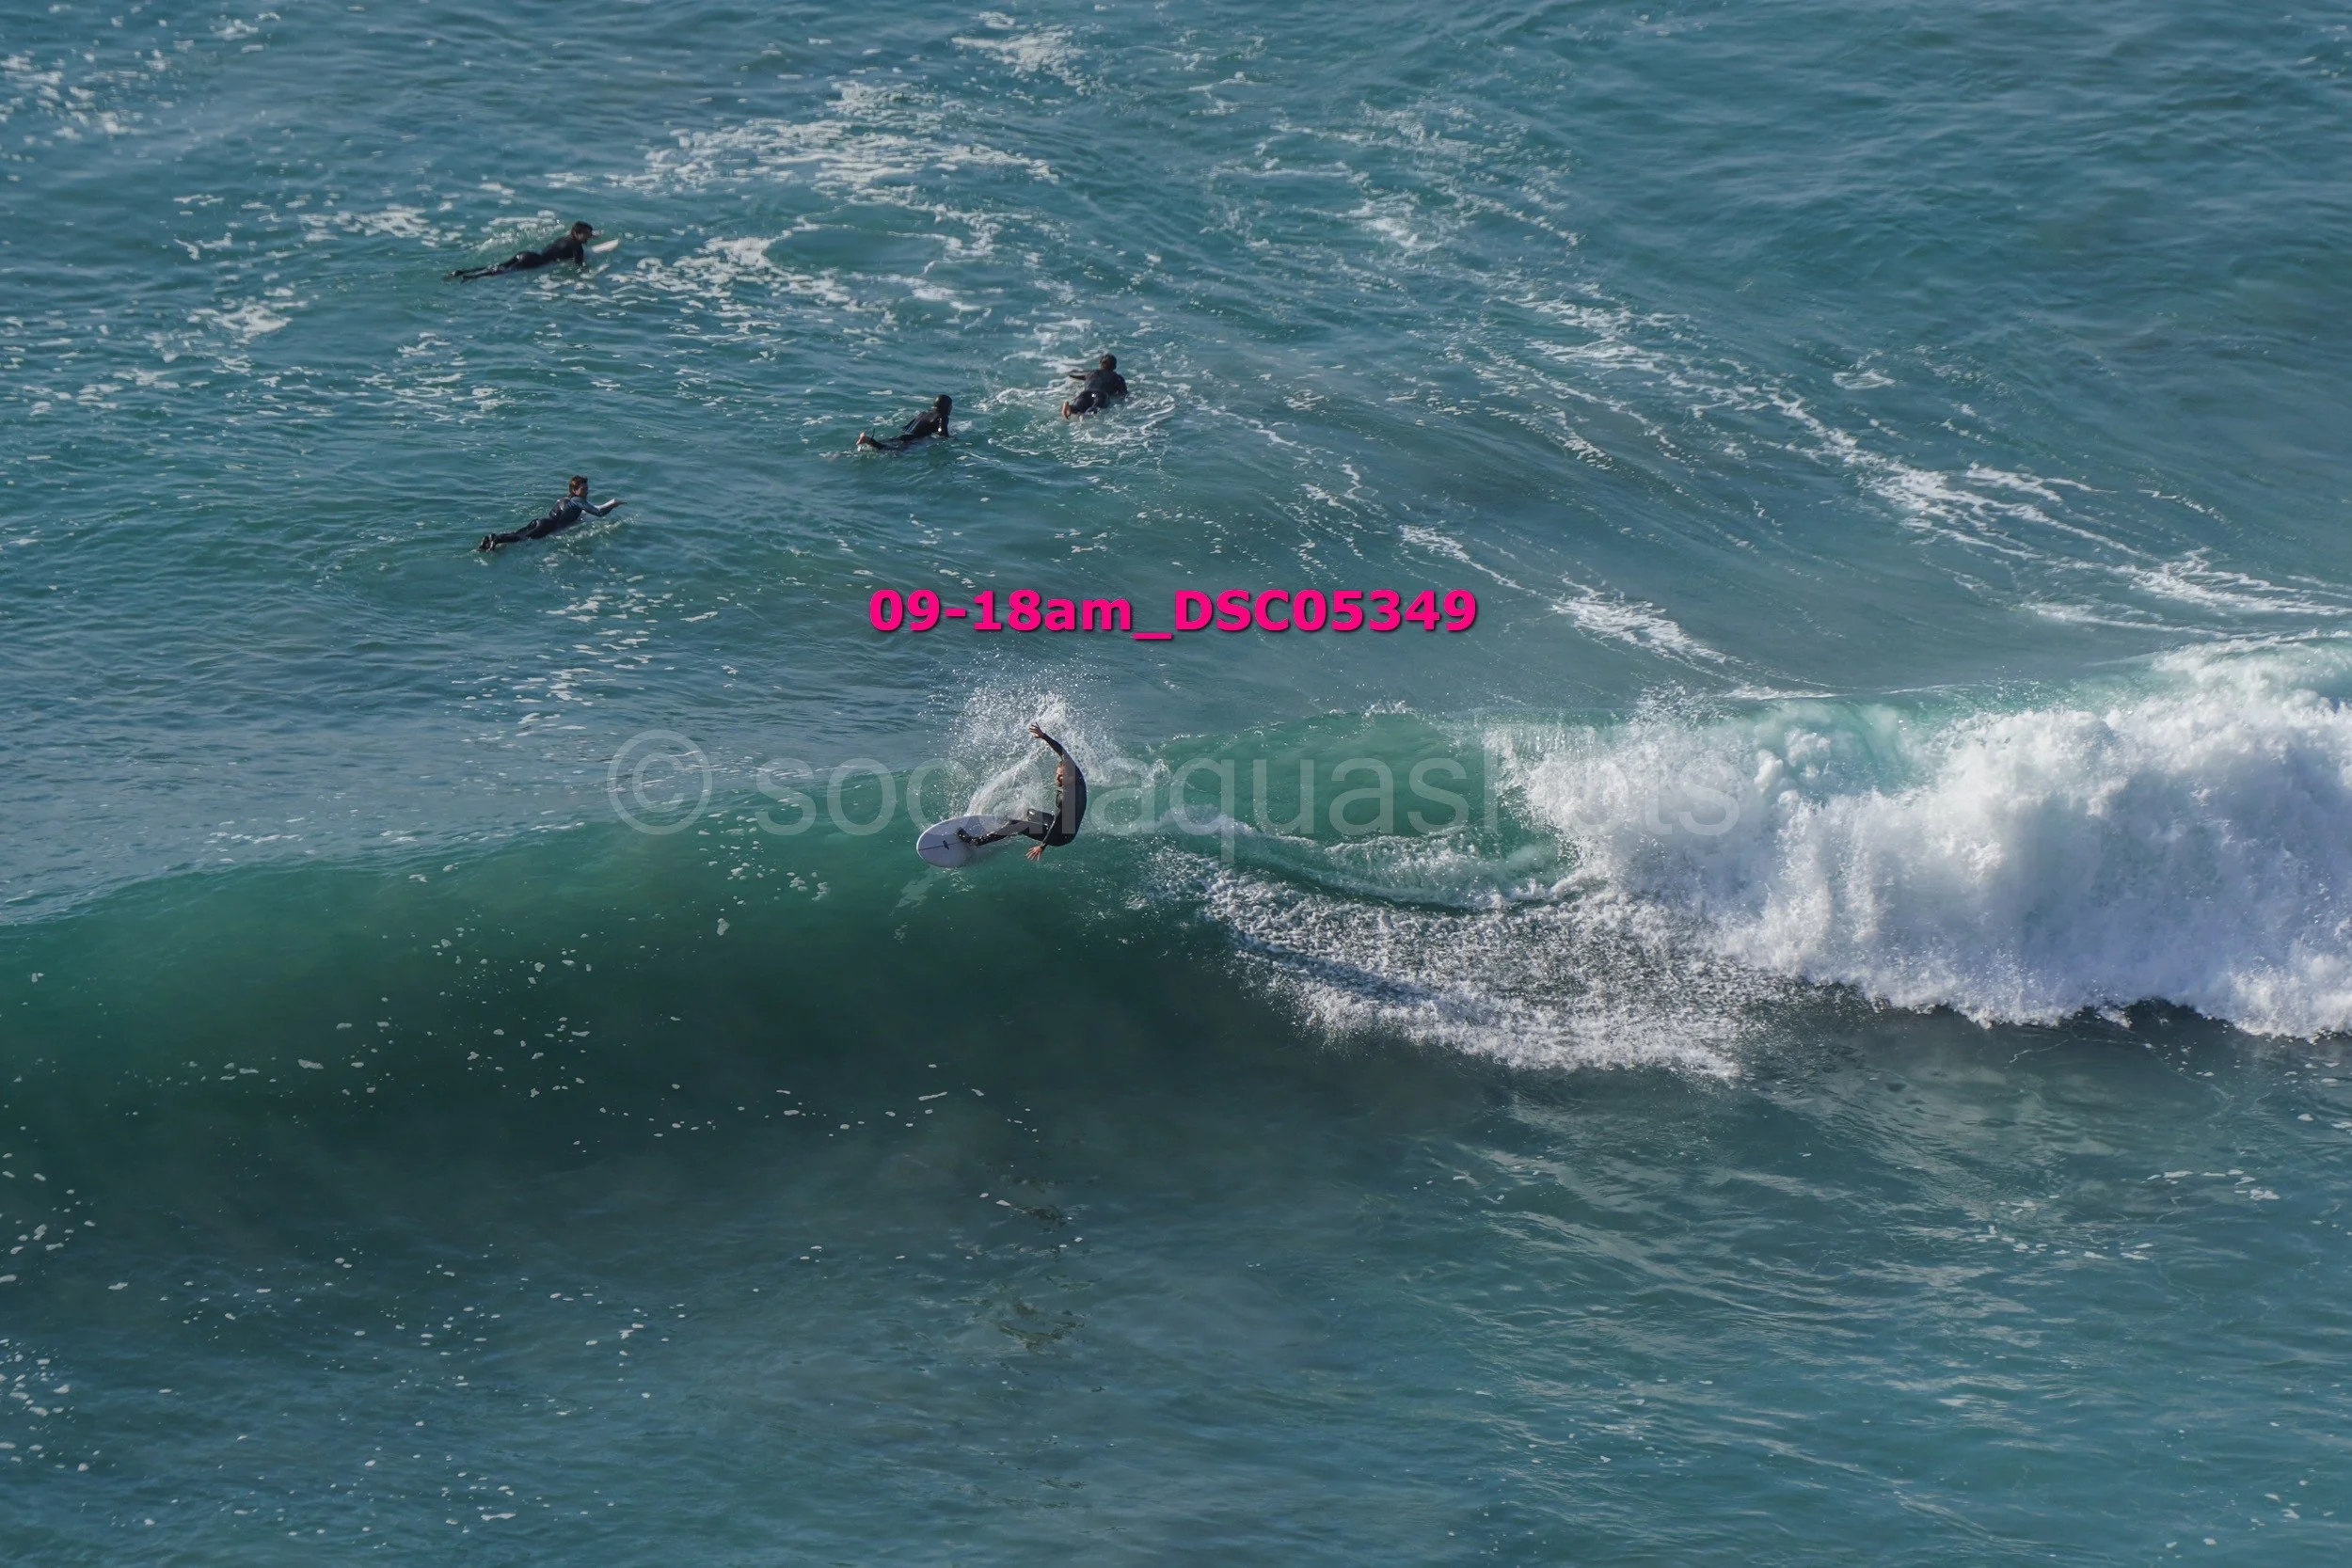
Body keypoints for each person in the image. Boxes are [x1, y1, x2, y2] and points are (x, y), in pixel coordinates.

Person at [961, 724, 1087, 860]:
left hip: (1060, 836)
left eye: (1062, 776)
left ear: (1072, 777)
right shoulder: (1076, 776)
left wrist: (1042, 846)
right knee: (1029, 813)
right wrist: (1044, 736)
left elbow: (1056, 824)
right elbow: (1062, 751)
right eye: (1058, 774)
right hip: (1062, 827)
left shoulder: (1069, 797)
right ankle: (1008, 832)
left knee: (1016, 825)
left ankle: (976, 842)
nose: (1057, 778)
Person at [477, 476, 623, 551]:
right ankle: (496, 540)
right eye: (583, 489)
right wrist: (613, 505)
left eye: (587, 488)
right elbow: (598, 513)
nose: (587, 491)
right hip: (548, 527)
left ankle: (492, 539)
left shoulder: (565, 499)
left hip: (541, 521)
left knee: (518, 534)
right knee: (521, 539)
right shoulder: (578, 501)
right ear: (575, 490)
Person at [450, 221, 597, 281]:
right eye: (587, 234)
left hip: (527, 254)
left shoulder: (565, 238)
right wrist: (592, 270)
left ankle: (462, 272)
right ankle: (471, 277)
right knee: (502, 272)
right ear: (577, 233)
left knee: (498, 266)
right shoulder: (577, 247)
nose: (589, 237)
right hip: (534, 261)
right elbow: (579, 267)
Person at [857, 394, 952, 451]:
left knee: (885, 444)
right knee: (893, 451)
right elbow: (942, 434)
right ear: (946, 407)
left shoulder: (923, 413)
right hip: (912, 439)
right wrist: (952, 439)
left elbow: (906, 427)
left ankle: (844, 453)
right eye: (950, 406)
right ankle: (868, 440)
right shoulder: (942, 417)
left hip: (905, 434)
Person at [1062, 354, 1128, 419]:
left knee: (1076, 408)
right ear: (1115, 367)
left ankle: (1070, 408)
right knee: (1094, 409)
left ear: (1100, 364)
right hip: (1101, 395)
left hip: (1085, 393)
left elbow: (1072, 374)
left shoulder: (1090, 373)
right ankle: (1085, 417)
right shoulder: (1118, 378)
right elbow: (1123, 394)